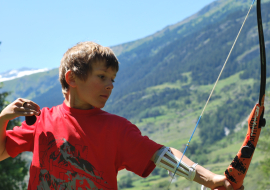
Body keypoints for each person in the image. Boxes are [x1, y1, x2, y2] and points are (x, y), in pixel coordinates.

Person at [0, 42, 244, 190]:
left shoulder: (117, 128)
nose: (110, 86)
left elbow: (162, 154)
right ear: (72, 78)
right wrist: (3, 118)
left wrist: (211, 179)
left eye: (113, 80)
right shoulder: (42, 121)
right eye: (102, 77)